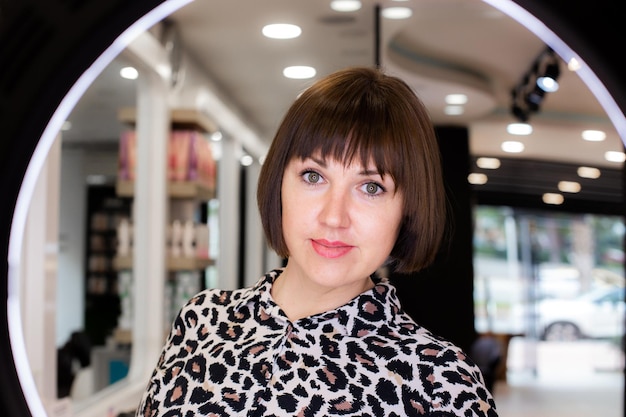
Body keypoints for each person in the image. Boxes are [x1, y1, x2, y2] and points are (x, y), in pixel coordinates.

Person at [135, 66, 498, 416]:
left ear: (408, 207)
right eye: (313, 176)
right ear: (279, 182)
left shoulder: (443, 385)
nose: (333, 217)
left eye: (371, 187)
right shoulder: (202, 321)